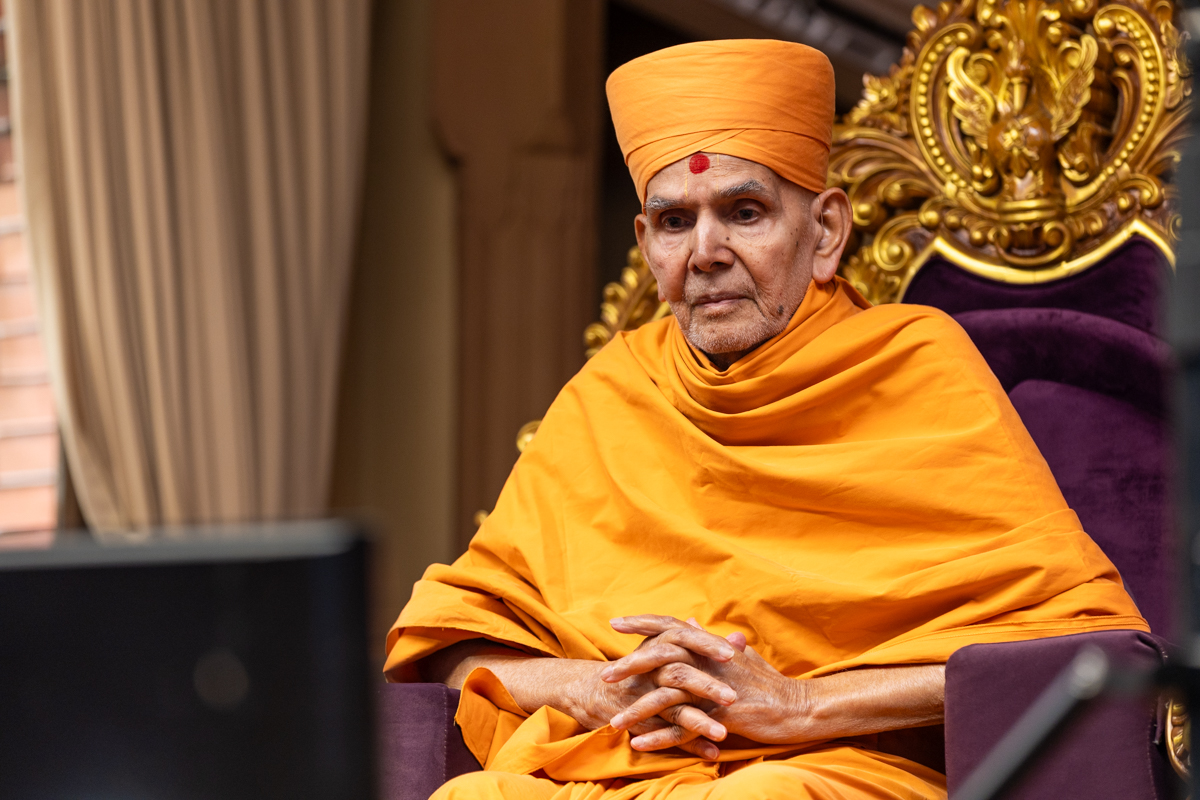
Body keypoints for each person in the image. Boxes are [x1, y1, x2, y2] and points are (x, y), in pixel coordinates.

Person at [384, 40, 1147, 799]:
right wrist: (595, 688)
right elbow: (454, 646)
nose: (707, 251)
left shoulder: (915, 364)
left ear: (824, 234)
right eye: (676, 222)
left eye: (744, 212)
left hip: (835, 770)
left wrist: (798, 705)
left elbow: (1086, 657)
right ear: (648, 247)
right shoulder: (614, 389)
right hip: (632, 767)